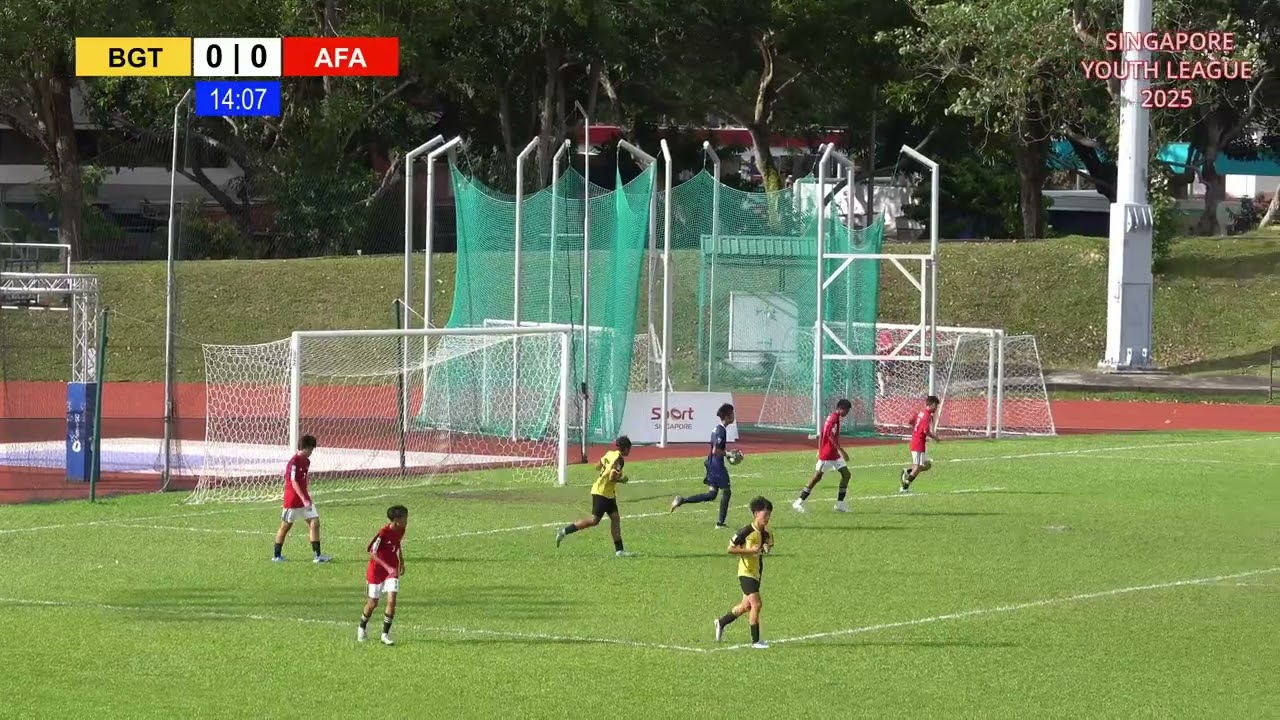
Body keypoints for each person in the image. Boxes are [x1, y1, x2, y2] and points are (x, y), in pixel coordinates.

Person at [555, 436, 634, 557]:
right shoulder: (619, 460)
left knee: (615, 518)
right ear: (626, 448)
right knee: (593, 520)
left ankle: (619, 550)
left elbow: (597, 465)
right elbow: (612, 477)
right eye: (629, 448)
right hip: (602, 493)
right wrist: (622, 479)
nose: (630, 451)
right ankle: (563, 531)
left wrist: (605, 471)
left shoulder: (610, 454)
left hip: (607, 493)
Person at [714, 496, 773, 649]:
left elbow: (767, 546)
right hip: (745, 572)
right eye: (765, 514)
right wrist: (749, 551)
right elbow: (730, 549)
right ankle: (756, 642)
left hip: (757, 573)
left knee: (746, 606)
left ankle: (721, 622)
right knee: (756, 604)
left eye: (769, 514)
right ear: (756, 514)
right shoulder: (746, 531)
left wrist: (766, 548)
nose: (767, 517)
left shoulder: (766, 533)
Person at [670, 403, 736, 528]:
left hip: (711, 464)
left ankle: (682, 500)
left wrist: (726, 453)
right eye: (732, 414)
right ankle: (720, 523)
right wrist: (728, 454)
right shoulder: (721, 430)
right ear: (727, 416)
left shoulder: (717, 429)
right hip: (717, 466)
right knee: (726, 491)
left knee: (712, 494)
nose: (733, 416)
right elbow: (715, 450)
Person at [272, 434, 330, 563]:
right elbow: (294, 482)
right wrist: (303, 498)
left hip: (304, 499)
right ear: (305, 448)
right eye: (311, 449)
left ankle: (317, 556)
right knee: (285, 527)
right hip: (292, 500)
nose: (311, 452)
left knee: (315, 522)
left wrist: (306, 497)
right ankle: (276, 555)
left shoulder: (307, 461)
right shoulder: (294, 462)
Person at [792, 398, 853, 513]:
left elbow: (824, 433)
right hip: (828, 454)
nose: (847, 413)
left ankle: (839, 504)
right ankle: (798, 502)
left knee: (846, 474)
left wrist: (819, 447)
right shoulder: (834, 418)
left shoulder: (833, 417)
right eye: (846, 411)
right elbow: (830, 436)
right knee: (817, 477)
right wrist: (841, 451)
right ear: (841, 408)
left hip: (833, 454)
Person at [360, 505, 408, 645]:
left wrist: (401, 561)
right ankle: (362, 627)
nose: (407, 521)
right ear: (396, 520)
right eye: (404, 518)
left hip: (392, 571)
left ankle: (385, 635)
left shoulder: (401, 530)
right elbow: (371, 552)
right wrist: (386, 567)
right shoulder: (383, 533)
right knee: (372, 603)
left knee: (391, 601)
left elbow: (397, 544)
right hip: (376, 572)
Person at [901, 395, 941, 492]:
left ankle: (907, 472)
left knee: (927, 465)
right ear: (931, 405)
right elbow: (926, 431)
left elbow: (910, 421)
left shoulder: (920, 413)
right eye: (936, 406)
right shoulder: (927, 416)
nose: (936, 408)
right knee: (917, 467)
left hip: (917, 442)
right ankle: (904, 487)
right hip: (918, 444)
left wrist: (916, 429)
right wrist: (935, 438)